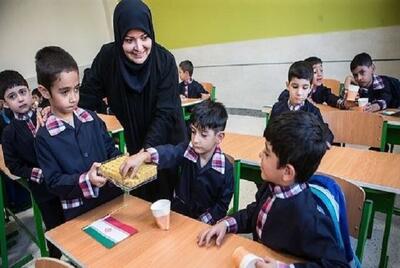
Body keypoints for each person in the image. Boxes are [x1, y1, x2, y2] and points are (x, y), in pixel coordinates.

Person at [197, 111, 348, 267]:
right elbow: (254, 213)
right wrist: (226, 224)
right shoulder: (272, 187)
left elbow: (338, 265)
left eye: (267, 154)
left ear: (287, 172)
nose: (260, 154)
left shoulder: (308, 219)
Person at [79, 0, 186, 202]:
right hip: (135, 140)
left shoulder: (164, 61)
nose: (139, 47)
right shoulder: (108, 58)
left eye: (144, 38)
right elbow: (87, 97)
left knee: (165, 198)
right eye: (129, 40)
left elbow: (164, 114)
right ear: (119, 38)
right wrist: (52, 109)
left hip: (165, 142)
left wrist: (145, 153)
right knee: (139, 199)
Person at [34, 46, 122, 220]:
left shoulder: (92, 119)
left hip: (113, 199)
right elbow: (54, 182)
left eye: (76, 88)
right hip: (79, 213)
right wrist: (86, 179)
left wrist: (121, 161)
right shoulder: (44, 137)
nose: (73, 98)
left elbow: (110, 150)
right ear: (44, 92)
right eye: (65, 92)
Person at [121, 100, 233, 224]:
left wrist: (199, 223)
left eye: (204, 135)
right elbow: (170, 152)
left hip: (204, 224)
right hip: (178, 215)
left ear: (219, 137)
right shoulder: (187, 150)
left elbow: (221, 206)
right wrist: (144, 155)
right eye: (193, 131)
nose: (195, 140)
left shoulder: (225, 170)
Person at [0, 70, 64, 258]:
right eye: (12, 96)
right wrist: (38, 173)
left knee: (74, 223)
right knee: (54, 229)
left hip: (65, 180)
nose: (20, 99)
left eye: (22, 92)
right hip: (43, 190)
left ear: (31, 93)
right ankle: (55, 260)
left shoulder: (48, 115)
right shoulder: (9, 133)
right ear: (5, 104)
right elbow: (14, 165)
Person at [270, 61, 334, 144]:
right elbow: (269, 133)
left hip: (304, 154)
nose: (299, 92)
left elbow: (326, 133)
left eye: (305, 88)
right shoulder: (277, 108)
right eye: (295, 87)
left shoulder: (313, 112)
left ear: (310, 88)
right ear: (288, 85)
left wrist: (325, 142)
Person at [278, 57, 352, 109]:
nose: (320, 74)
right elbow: (283, 97)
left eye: (321, 70)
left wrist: (343, 103)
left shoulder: (321, 90)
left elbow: (331, 98)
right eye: (315, 72)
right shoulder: (294, 91)